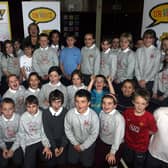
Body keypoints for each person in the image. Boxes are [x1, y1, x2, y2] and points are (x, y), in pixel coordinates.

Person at [122, 88, 157, 168]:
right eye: (137, 103)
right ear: (133, 102)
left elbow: (153, 131)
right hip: (128, 143)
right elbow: (124, 124)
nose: (139, 106)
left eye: (143, 103)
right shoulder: (127, 112)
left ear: (147, 104)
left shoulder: (149, 117)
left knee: (138, 164)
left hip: (141, 147)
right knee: (128, 161)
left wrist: (144, 133)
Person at [64, 89, 99, 168]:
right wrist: (75, 143)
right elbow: (67, 130)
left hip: (88, 143)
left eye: (83, 102)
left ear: (89, 103)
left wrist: (83, 146)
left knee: (87, 164)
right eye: (77, 101)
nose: (79, 105)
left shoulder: (93, 116)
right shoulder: (70, 114)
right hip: (74, 142)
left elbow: (94, 134)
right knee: (72, 161)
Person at [19, 95, 52, 168]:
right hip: (29, 143)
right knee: (28, 165)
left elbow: (44, 133)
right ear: (25, 107)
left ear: (37, 106)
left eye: (33, 106)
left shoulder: (42, 115)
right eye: (28, 107)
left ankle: (39, 156)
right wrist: (24, 149)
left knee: (49, 160)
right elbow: (21, 134)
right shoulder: (23, 117)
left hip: (41, 141)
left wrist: (47, 146)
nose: (31, 109)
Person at [95, 94, 125, 168]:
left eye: (109, 103)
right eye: (104, 103)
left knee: (112, 163)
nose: (106, 106)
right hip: (103, 141)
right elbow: (100, 127)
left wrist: (112, 152)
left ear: (115, 105)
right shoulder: (101, 112)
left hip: (115, 145)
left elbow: (118, 137)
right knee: (98, 161)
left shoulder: (118, 118)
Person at [42, 90, 68, 168]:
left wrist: (62, 146)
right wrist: (54, 148)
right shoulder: (45, 113)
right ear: (50, 102)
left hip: (62, 140)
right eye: (54, 102)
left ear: (62, 102)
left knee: (62, 162)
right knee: (50, 163)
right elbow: (47, 132)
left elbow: (66, 131)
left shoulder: (66, 112)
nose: (56, 105)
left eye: (59, 102)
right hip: (50, 140)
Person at [135, 29, 161, 94]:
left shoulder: (157, 51)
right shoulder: (139, 50)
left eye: (150, 38)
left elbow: (155, 68)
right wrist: (139, 79)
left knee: (145, 100)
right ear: (143, 38)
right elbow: (136, 66)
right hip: (138, 80)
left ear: (154, 40)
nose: (147, 40)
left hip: (149, 81)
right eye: (146, 38)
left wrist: (145, 80)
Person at [0, 98, 23, 168]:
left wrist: (12, 150)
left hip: (16, 142)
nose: (7, 112)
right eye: (5, 109)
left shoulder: (18, 118)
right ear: (1, 110)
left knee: (18, 162)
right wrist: (4, 148)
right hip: (4, 142)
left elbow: (20, 135)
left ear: (14, 109)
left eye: (10, 109)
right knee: (2, 164)